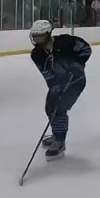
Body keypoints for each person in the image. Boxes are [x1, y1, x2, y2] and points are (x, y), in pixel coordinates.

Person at [29, 20, 90, 160]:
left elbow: (86, 48)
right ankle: (57, 133)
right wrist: (56, 89)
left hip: (76, 82)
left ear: (48, 34)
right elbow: (47, 74)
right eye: (34, 35)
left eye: (39, 35)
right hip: (57, 85)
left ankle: (59, 142)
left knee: (60, 109)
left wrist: (78, 63)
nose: (36, 39)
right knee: (50, 108)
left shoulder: (65, 42)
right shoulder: (36, 54)